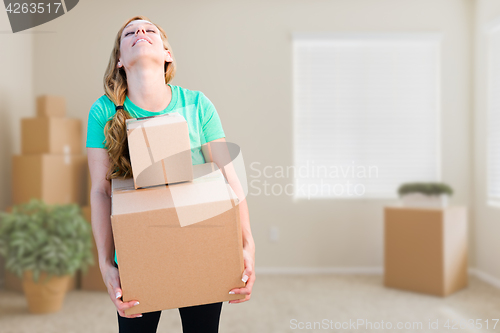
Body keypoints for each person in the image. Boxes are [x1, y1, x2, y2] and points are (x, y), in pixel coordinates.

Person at [85, 15, 255, 333]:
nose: (140, 32)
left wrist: (247, 245)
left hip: (203, 242)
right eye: (130, 33)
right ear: (120, 60)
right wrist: (106, 264)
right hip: (138, 251)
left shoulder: (197, 105)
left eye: (150, 30)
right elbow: (100, 190)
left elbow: (229, 179)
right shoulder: (104, 111)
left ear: (167, 54)